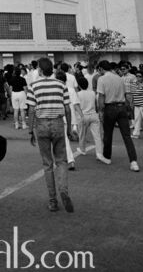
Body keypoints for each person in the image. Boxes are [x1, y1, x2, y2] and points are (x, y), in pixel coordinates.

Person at [27, 57, 76, 212]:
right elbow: (67, 109)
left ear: (40, 71)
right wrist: (68, 129)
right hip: (57, 123)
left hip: (41, 124)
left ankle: (53, 200)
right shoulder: (61, 85)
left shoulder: (33, 86)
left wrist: (30, 130)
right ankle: (64, 190)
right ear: (52, 70)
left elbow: (31, 110)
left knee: (47, 164)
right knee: (61, 161)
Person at [96, 60, 140, 171]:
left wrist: (100, 112)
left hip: (109, 107)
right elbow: (126, 95)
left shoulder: (101, 79)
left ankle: (107, 157)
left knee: (108, 134)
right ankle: (133, 161)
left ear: (101, 68)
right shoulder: (119, 78)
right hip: (121, 107)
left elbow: (101, 97)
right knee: (127, 136)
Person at [75, 74, 105, 161]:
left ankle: (82, 149)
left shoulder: (78, 94)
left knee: (82, 134)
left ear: (79, 85)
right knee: (97, 136)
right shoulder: (92, 93)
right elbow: (96, 105)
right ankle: (99, 153)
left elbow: (76, 106)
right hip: (93, 114)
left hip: (83, 115)